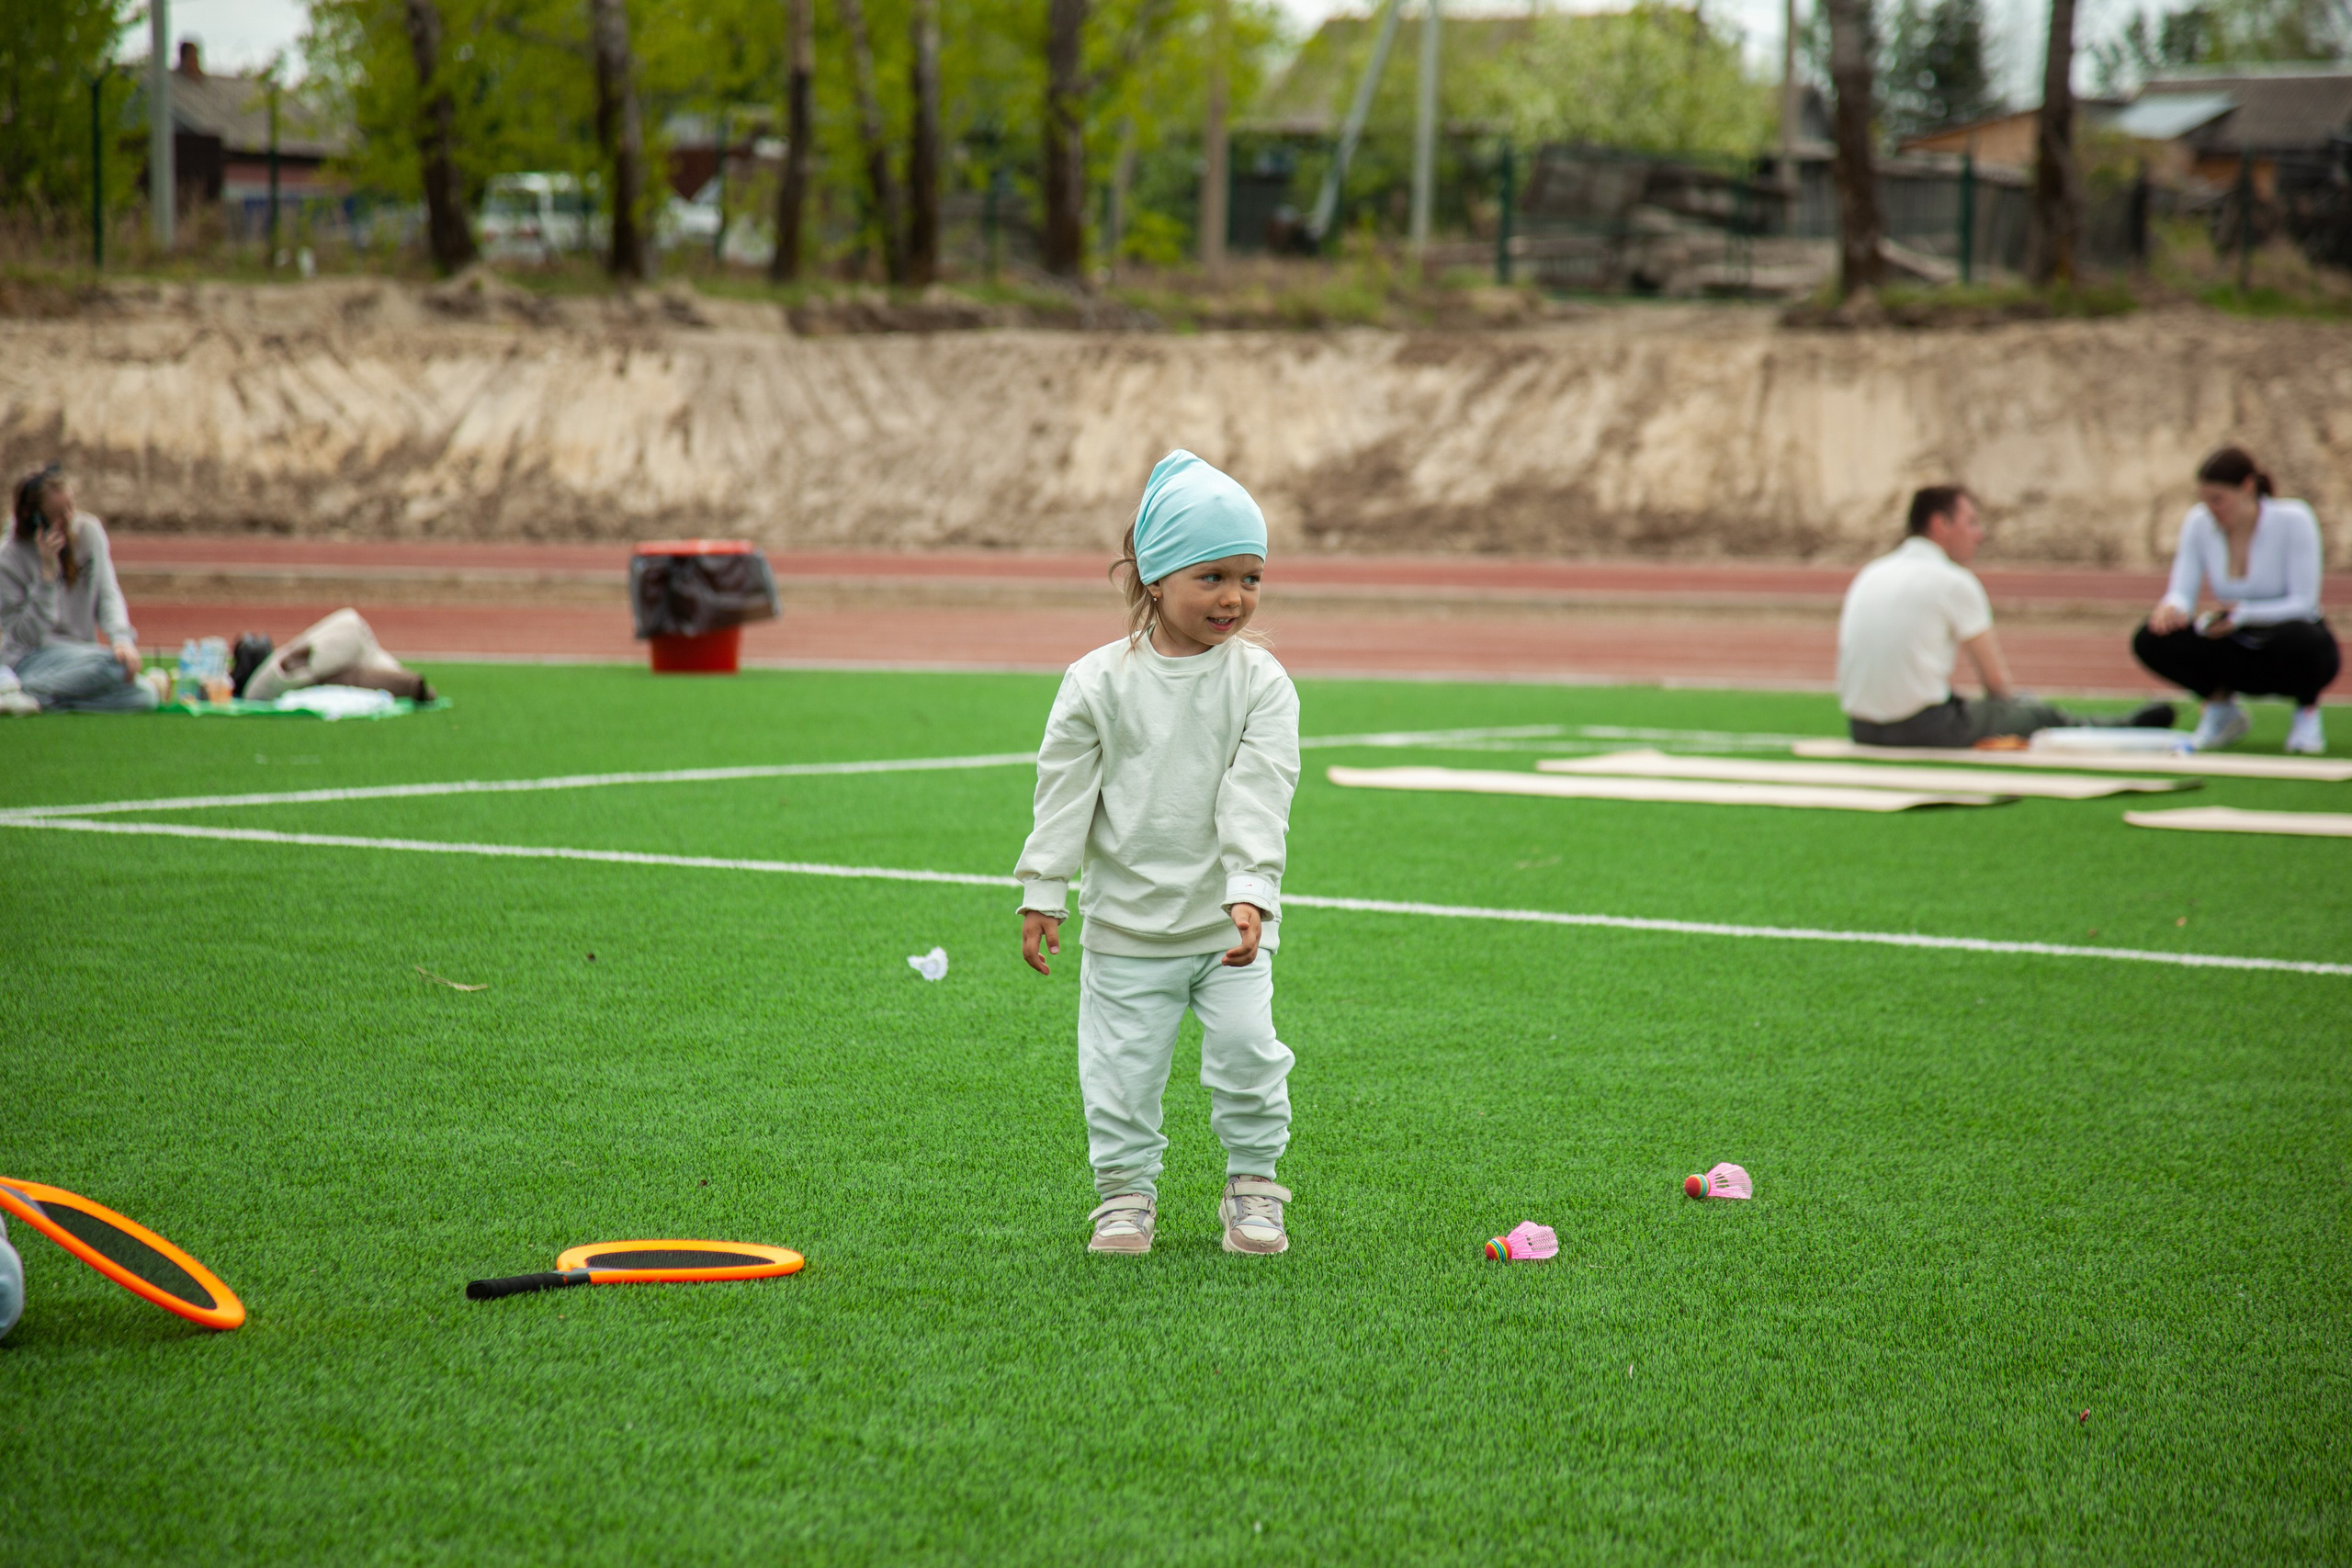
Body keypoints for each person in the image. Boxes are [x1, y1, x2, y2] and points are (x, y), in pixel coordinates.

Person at [1015, 450, 1301, 1258]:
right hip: (1126, 927)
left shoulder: (1262, 683)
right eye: (1212, 575)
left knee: (1250, 1056)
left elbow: (1261, 790)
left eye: (1250, 577)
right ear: (1153, 575)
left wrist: (1249, 890)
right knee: (1120, 1078)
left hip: (1229, 929)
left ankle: (1253, 1187)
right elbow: (1063, 793)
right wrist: (1043, 889)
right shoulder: (1095, 682)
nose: (1234, 597)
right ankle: (1124, 1197)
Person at [1838, 485, 2170, 748]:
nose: (1979, 534)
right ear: (1940, 524)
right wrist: (2018, 709)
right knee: (2032, 713)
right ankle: (2119, 728)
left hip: (1862, 728)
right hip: (1922, 729)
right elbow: (1997, 686)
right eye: (1971, 523)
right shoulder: (1954, 581)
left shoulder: (1871, 573)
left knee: (1982, 706)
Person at [2132, 447, 2338, 755]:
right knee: (2152, 638)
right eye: (2206, 500)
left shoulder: (2293, 519)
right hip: (2234, 642)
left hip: (2287, 644)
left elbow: (2304, 604)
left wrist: (2242, 614)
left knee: (2302, 637)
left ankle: (2306, 715)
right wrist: (2172, 608)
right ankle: (2220, 709)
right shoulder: (2199, 523)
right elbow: (2182, 591)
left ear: (2247, 488)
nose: (2211, 509)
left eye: (2218, 500)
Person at [1, 464, 163, 713]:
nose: (69, 519)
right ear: (35, 518)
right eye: (58, 514)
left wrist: (121, 640)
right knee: (113, 667)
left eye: (71, 507)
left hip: (82, 656)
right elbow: (24, 637)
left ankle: (31, 696)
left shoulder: (90, 532)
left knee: (145, 695)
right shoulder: (9, 557)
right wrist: (46, 577)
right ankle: (25, 688)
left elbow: (108, 594)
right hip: (33, 658)